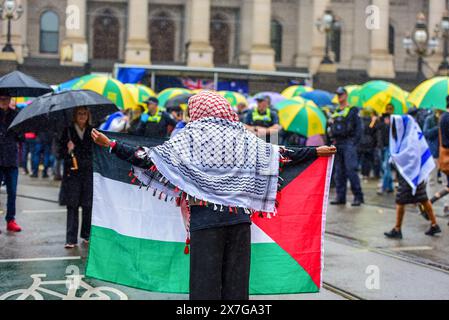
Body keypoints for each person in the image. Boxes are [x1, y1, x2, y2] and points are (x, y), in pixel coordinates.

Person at [91, 91, 336, 300]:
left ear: (197, 111)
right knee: (235, 285)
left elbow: (147, 158)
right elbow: (281, 154)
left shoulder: (189, 137)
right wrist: (315, 152)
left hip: (205, 223)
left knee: (204, 285)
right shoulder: (244, 138)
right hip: (239, 222)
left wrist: (111, 145)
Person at [384, 115, 441, 239]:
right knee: (423, 199)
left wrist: (398, 159)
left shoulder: (411, 137)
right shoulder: (410, 134)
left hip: (410, 174)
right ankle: (434, 224)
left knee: (400, 200)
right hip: (414, 174)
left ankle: (397, 229)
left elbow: (411, 155)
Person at [59, 107, 94, 248]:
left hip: (87, 172)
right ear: (75, 115)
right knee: (72, 206)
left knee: (88, 205)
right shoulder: (67, 131)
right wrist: (68, 150)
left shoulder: (93, 131)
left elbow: (96, 151)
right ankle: (71, 239)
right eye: (79, 113)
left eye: (85, 113)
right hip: (72, 174)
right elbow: (59, 152)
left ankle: (86, 235)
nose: (82, 116)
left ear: (88, 115)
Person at [329, 87, 364, 206]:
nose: (339, 97)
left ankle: (358, 197)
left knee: (351, 170)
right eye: (338, 95)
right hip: (337, 143)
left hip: (349, 143)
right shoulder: (335, 111)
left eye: (341, 94)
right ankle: (340, 197)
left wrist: (354, 143)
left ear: (346, 95)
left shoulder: (353, 110)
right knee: (339, 172)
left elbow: (359, 129)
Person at [0, 95, 22, 233]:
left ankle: (11, 220)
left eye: (6, 99)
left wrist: (17, 131)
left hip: (11, 159)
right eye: (1, 98)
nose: (4, 101)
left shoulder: (16, 115)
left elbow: (21, 137)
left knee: (12, 192)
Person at [377, 105, 395, 194]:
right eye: (387, 109)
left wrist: (390, 125)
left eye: (390, 109)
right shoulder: (382, 119)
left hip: (390, 146)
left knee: (386, 166)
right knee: (385, 167)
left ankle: (383, 187)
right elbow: (377, 129)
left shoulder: (395, 120)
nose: (389, 110)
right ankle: (390, 186)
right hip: (382, 146)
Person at [358, 108, 379, 181]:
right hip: (369, 143)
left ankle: (364, 174)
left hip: (362, 143)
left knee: (364, 159)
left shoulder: (361, 120)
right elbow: (371, 130)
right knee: (369, 159)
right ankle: (369, 174)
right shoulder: (371, 121)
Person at [423, 109, 443, 185]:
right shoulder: (429, 119)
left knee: (444, 181)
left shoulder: (445, 118)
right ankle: (432, 196)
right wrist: (438, 128)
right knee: (432, 179)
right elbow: (426, 133)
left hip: (443, 151)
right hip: (434, 151)